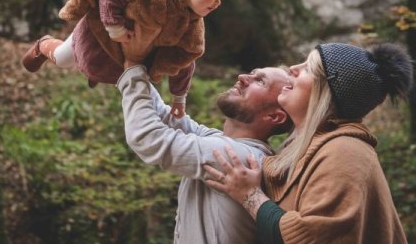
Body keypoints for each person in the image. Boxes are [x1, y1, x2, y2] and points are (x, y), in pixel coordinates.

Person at [203, 42, 412, 244]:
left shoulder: (345, 152)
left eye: (307, 69)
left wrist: (250, 196)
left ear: (326, 94)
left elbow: (311, 238)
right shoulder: (305, 148)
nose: (293, 68)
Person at [22, 0, 234, 117]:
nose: (218, 2)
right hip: (97, 38)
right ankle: (43, 45)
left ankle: (94, 74)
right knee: (62, 59)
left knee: (107, 73)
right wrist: (115, 27)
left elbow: (183, 60)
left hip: (119, 63)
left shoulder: (192, 24)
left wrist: (179, 99)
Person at [117, 54, 291, 244]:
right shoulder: (224, 142)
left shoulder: (239, 158)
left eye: (260, 81)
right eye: (252, 73)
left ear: (274, 117)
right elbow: (166, 118)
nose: (243, 77)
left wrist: (133, 70)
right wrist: (127, 62)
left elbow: (148, 137)